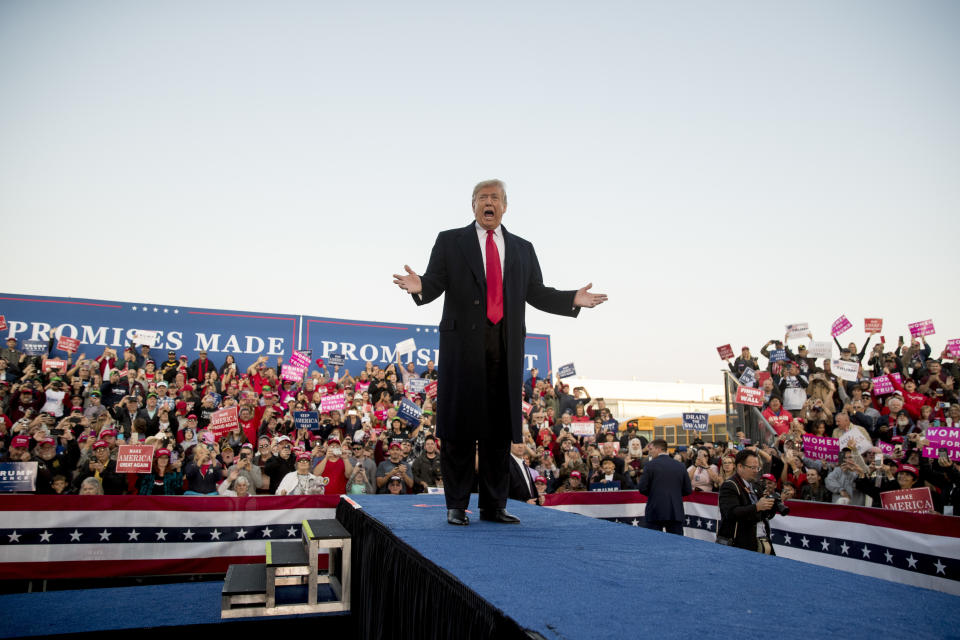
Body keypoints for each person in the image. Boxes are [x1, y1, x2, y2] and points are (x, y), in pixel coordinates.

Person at [392, 178, 607, 525]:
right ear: (473, 205)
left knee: (497, 433)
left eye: (494, 198)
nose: (488, 203)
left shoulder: (522, 248)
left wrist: (572, 299)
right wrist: (420, 287)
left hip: (504, 351)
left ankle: (494, 506)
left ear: (505, 206)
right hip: (462, 351)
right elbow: (434, 282)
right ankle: (457, 506)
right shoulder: (450, 241)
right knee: (460, 432)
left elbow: (536, 292)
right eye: (481, 198)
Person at [716, 449, 776, 554]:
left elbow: (765, 515)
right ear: (739, 467)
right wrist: (757, 507)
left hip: (762, 539)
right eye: (752, 468)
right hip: (740, 544)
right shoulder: (729, 486)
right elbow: (730, 513)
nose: (756, 471)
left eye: (757, 468)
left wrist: (772, 505)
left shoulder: (756, 485)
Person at [636, 439, 692, 534]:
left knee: (654, 545)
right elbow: (688, 490)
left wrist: (655, 493)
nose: (649, 452)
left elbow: (642, 488)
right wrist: (675, 494)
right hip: (675, 511)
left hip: (655, 511)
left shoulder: (650, 465)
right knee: (676, 545)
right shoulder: (680, 466)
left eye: (651, 449)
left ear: (658, 449)